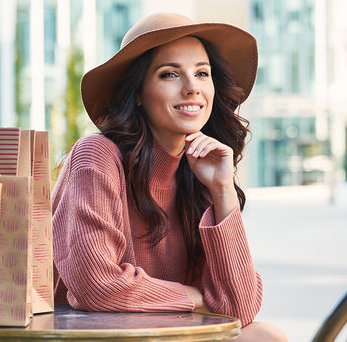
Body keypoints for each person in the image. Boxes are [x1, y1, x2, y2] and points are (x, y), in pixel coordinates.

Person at [51, 12, 287, 341]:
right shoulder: (97, 156)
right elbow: (97, 287)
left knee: (264, 335)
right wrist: (196, 298)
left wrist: (222, 190)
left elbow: (240, 307)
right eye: (170, 74)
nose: (192, 88)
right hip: (95, 336)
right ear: (136, 93)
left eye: (202, 73)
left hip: (165, 334)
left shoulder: (198, 173)